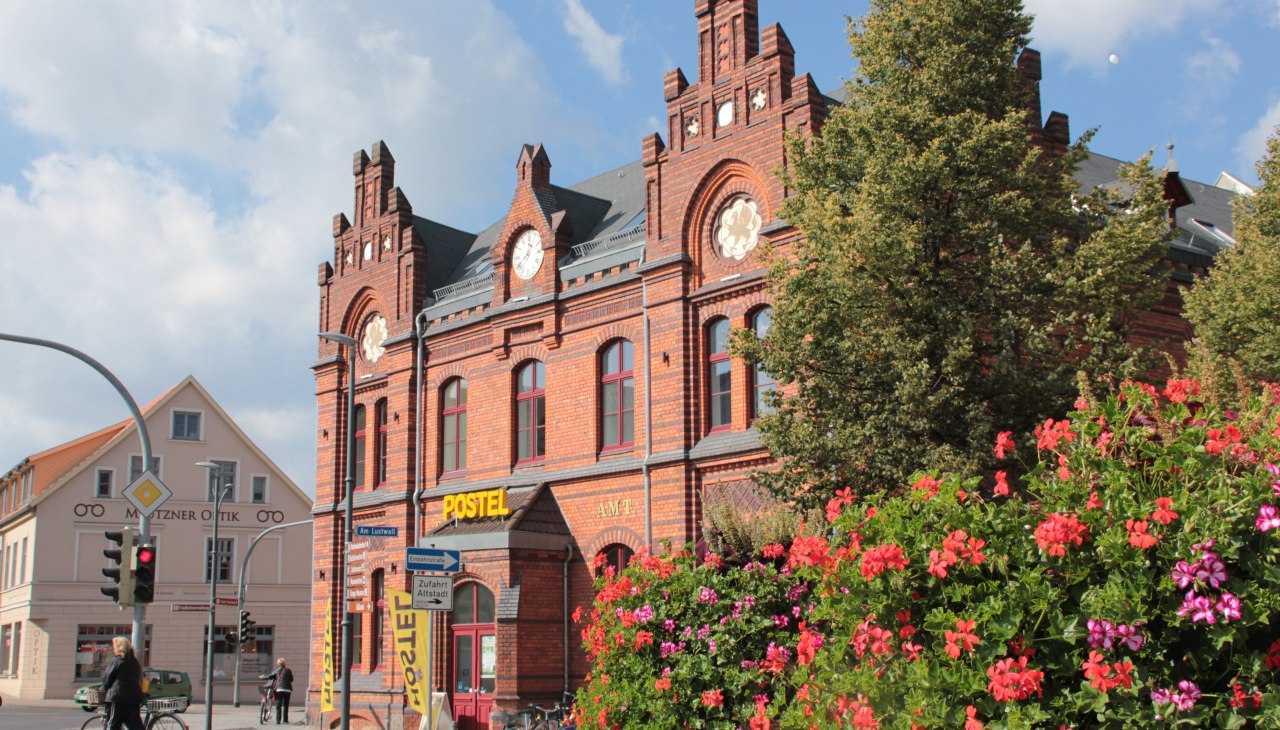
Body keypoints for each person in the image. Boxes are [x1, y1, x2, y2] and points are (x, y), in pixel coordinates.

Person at [100, 636, 145, 730]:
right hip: (134, 698)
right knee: (135, 726)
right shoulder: (134, 662)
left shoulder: (117, 660)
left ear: (119, 648)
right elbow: (138, 677)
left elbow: (107, 677)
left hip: (118, 698)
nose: (114, 650)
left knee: (112, 725)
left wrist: (103, 688)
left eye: (115, 648)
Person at [259, 657, 294, 724]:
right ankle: (285, 720)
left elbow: (270, 676)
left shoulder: (277, 670)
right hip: (287, 690)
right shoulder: (288, 670)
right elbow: (292, 679)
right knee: (286, 705)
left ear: (278, 663)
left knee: (279, 705)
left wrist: (263, 677)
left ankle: (278, 720)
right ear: (284, 663)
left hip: (279, 689)